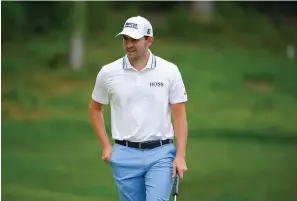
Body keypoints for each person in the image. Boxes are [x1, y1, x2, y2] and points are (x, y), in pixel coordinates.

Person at [89, 15, 188, 201]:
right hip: (124, 155)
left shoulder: (169, 71)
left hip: (161, 153)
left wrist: (180, 156)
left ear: (149, 40)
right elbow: (95, 108)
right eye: (126, 39)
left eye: (134, 39)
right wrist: (105, 146)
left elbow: (180, 115)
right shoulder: (108, 72)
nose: (128, 44)